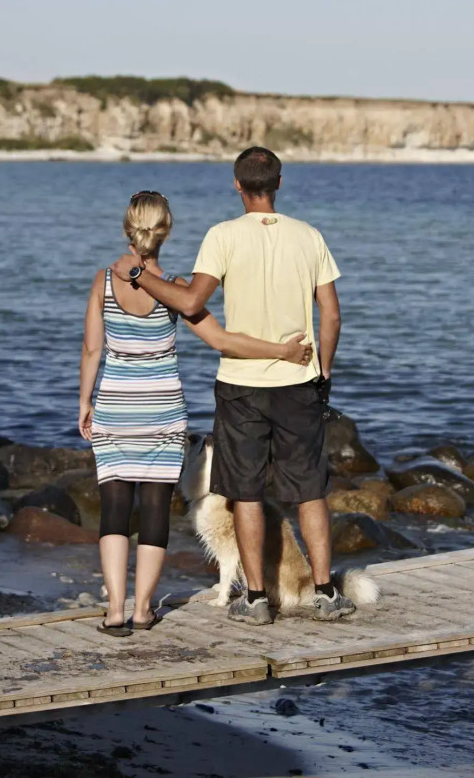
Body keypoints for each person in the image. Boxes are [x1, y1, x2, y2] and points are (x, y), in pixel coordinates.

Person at [113, 148, 349, 625]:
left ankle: (257, 599)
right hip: (299, 381)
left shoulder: (222, 236)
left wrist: (140, 274)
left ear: (237, 185)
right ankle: (325, 593)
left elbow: (193, 300)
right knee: (310, 491)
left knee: (243, 492)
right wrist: (324, 369)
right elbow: (332, 312)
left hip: (240, 384)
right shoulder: (309, 236)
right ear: (279, 182)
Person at [80, 189, 312, 636]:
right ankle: (145, 610)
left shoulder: (102, 282)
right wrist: (281, 351)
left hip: (115, 407)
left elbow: (92, 349)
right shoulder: (177, 291)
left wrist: (85, 402)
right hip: (163, 411)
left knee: (113, 511)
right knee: (153, 513)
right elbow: (223, 340)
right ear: (165, 232)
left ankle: (114, 612)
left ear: (128, 228)